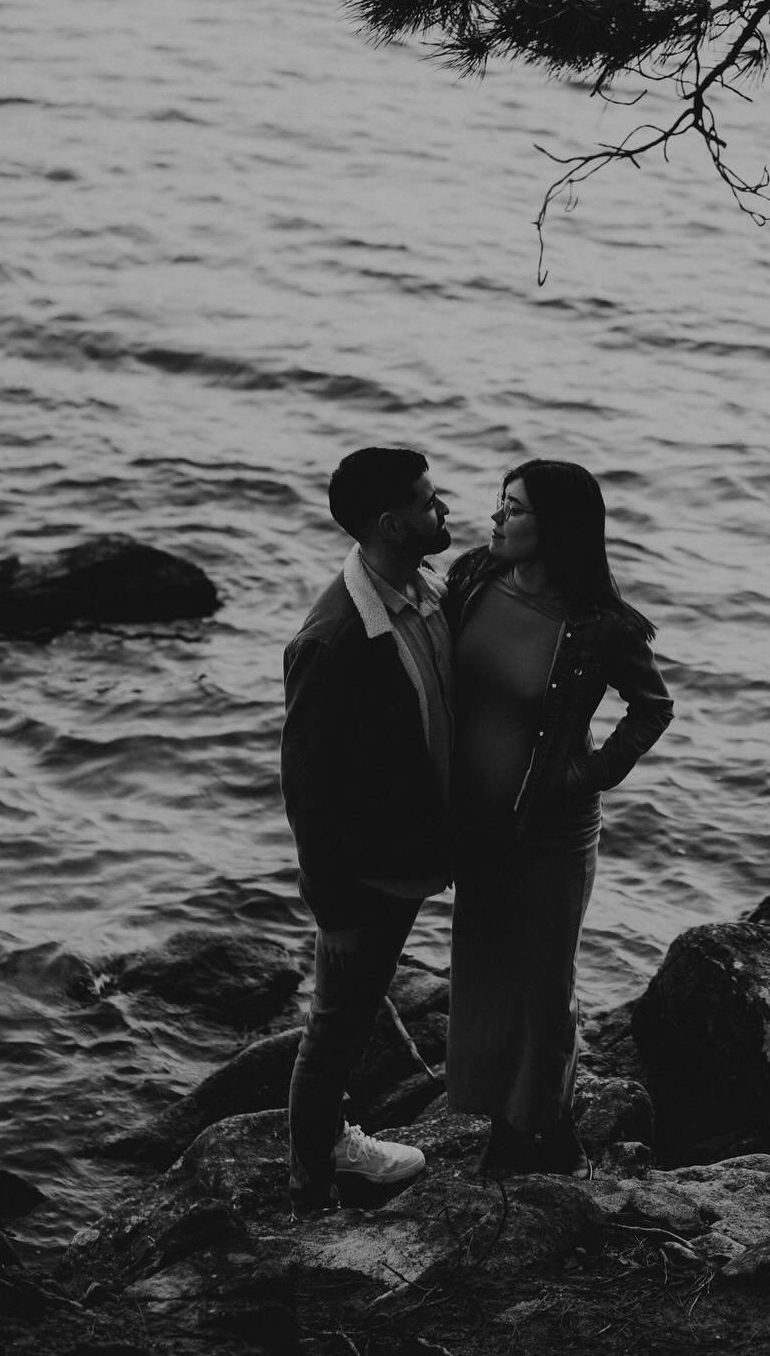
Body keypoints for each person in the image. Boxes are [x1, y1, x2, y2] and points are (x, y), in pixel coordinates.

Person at [443, 458, 673, 1177]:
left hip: (551, 831)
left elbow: (652, 708)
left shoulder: (598, 626)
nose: (495, 518)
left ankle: (529, 1135)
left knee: (541, 989)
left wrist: (587, 775)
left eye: (512, 509)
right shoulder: (473, 577)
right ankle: (525, 1123)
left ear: (556, 528)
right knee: (484, 976)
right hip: (481, 826)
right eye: (500, 505)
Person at [280, 445, 454, 1214]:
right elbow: (308, 793)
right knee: (339, 1022)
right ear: (391, 522)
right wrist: (335, 911)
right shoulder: (334, 640)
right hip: (370, 872)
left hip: (418, 852)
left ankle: (327, 1161)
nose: (442, 509)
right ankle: (317, 1175)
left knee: (351, 1012)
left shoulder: (424, 589)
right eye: (427, 501)